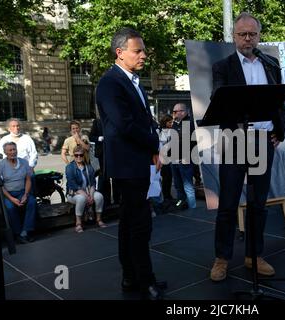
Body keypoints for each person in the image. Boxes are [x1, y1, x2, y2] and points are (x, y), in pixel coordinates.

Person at [209, 12, 285, 282]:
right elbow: (218, 99)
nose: (247, 39)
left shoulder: (271, 63)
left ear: (259, 35)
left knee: (259, 204)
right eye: (242, 34)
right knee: (228, 203)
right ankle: (222, 258)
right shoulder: (223, 66)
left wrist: (280, 130)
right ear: (233, 37)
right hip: (235, 141)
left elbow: (280, 101)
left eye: (252, 34)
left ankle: (254, 255)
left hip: (263, 141)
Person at [95, 27, 164, 299]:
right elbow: (125, 125)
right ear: (120, 52)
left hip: (137, 161)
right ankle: (144, 280)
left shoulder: (133, 81)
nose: (144, 55)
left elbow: (143, 119)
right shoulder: (110, 83)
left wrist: (154, 143)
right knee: (139, 224)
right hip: (128, 164)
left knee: (130, 222)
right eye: (138, 51)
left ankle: (130, 277)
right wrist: (154, 145)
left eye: (143, 50)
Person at [0, 142, 37, 244]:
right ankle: (17, 233)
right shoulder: (1, 165)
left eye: (14, 149)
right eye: (10, 150)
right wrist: (11, 199)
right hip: (8, 194)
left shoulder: (24, 162)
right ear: (5, 152)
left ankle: (25, 232)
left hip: (21, 192)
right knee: (10, 207)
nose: (13, 152)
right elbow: (0, 186)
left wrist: (26, 194)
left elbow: (28, 180)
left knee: (32, 202)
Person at [65, 146, 106, 233]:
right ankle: (78, 223)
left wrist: (91, 196)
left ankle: (98, 219)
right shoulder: (70, 167)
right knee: (81, 198)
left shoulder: (89, 167)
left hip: (87, 192)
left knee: (99, 196)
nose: (79, 157)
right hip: (73, 193)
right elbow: (73, 186)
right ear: (74, 156)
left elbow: (92, 183)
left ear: (84, 156)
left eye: (81, 155)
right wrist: (87, 196)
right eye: (76, 155)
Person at [89, 118, 120, 208]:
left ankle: (117, 199)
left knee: (115, 177)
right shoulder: (97, 122)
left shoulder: (115, 120)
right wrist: (98, 138)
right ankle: (105, 200)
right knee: (104, 176)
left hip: (114, 153)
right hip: (102, 154)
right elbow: (91, 136)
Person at [171, 102, 196, 209]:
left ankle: (192, 208)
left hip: (184, 159)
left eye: (176, 111)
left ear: (183, 112)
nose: (174, 113)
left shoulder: (188, 123)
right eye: (174, 111)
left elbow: (188, 142)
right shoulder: (176, 124)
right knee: (178, 185)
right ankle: (182, 205)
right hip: (175, 159)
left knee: (188, 186)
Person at [158, 114, 174, 202]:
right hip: (163, 157)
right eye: (169, 122)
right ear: (165, 122)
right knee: (166, 177)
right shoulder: (161, 131)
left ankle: (168, 195)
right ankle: (166, 196)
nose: (171, 124)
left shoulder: (170, 130)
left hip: (169, 157)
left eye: (172, 122)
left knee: (169, 177)